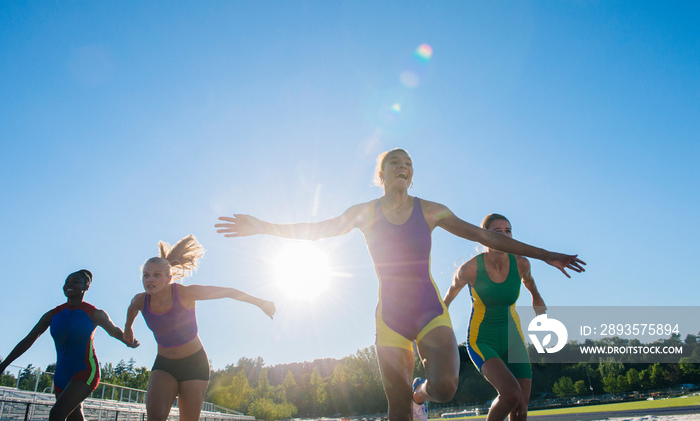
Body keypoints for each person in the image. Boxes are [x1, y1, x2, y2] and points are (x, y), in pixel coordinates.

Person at [215, 148, 585, 421]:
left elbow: (482, 234)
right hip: (390, 316)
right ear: (382, 174)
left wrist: (544, 253)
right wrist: (262, 226)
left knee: (445, 388)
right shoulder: (364, 213)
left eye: (409, 164)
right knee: (396, 411)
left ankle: (419, 393)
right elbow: (316, 232)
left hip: (429, 309)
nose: (403, 168)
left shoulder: (430, 210)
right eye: (396, 163)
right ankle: (409, 401)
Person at [123, 235, 276, 421]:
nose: (150, 279)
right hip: (164, 364)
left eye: (157, 275)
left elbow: (227, 292)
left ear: (169, 278)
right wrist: (128, 329)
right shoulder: (140, 300)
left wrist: (260, 302)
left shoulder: (186, 294)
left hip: (194, 365)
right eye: (146, 275)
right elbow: (132, 309)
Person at [442, 214, 551, 421]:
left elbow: (529, 282)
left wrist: (536, 297)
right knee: (511, 394)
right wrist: (437, 323)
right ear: (484, 237)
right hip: (482, 340)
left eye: (508, 230)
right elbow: (448, 297)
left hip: (513, 338)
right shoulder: (470, 269)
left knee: (521, 408)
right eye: (496, 232)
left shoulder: (521, 264)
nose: (504, 235)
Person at [0, 270, 139, 421]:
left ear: (86, 287)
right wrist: (4, 364)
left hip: (85, 371)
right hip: (61, 376)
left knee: (56, 414)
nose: (69, 285)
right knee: (74, 418)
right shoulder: (53, 314)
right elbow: (28, 340)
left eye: (75, 282)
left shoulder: (94, 313)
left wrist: (127, 340)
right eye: (67, 282)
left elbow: (113, 330)